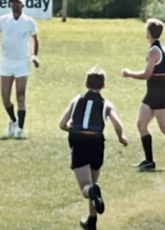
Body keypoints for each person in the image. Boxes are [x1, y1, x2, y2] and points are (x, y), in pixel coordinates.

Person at [59, 68, 127, 230]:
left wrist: (72, 129)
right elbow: (118, 124)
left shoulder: (76, 99)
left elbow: (62, 124)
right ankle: (92, 221)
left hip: (79, 141)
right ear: (104, 85)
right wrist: (121, 138)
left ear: (86, 83)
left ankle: (93, 194)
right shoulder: (106, 104)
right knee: (93, 182)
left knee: (86, 188)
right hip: (97, 143)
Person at [121, 18, 165, 171]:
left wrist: (129, 73)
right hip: (154, 91)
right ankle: (149, 161)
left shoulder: (154, 51)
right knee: (141, 124)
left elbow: (147, 74)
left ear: (148, 32)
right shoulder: (162, 48)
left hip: (158, 92)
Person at [0, 0, 39, 138]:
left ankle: (21, 128)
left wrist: (34, 56)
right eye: (12, 2)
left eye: (17, 2)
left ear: (22, 5)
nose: (14, 5)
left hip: (22, 62)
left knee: (20, 96)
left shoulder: (29, 21)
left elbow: (35, 39)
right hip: (6, 61)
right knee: (5, 97)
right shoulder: (3, 20)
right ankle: (13, 120)